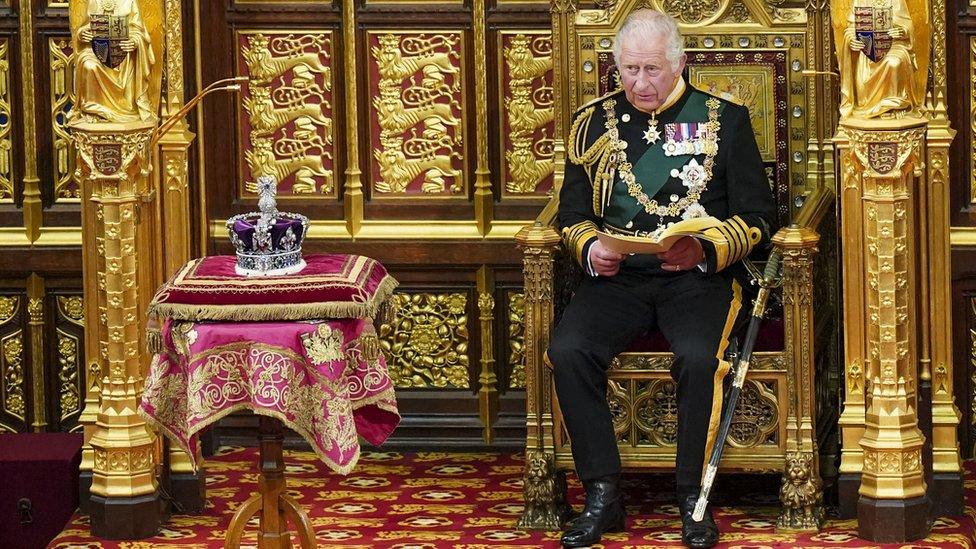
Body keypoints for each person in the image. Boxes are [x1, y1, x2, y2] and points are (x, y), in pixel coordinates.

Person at [550, 9, 776, 549]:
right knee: (569, 348)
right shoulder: (593, 124)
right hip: (619, 277)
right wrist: (591, 249)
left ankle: (691, 501)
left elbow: (760, 217)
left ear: (678, 63)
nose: (639, 83)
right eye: (628, 70)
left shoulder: (724, 118)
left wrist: (704, 248)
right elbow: (570, 214)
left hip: (697, 278)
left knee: (699, 358)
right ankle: (603, 496)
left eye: (651, 69)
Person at [74, 0, 156, 122]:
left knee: (126, 61)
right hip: (97, 52)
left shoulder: (130, 2)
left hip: (123, 56)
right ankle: (93, 110)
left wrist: (134, 41)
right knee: (88, 64)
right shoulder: (94, 1)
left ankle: (127, 107)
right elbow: (85, 26)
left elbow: (140, 32)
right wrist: (82, 34)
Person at [838, 0, 920, 118]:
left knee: (894, 62)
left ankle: (895, 105)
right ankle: (870, 105)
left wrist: (902, 32)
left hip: (894, 46)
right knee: (864, 79)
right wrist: (851, 40)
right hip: (869, 49)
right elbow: (851, 28)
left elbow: (908, 26)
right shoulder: (860, 1)